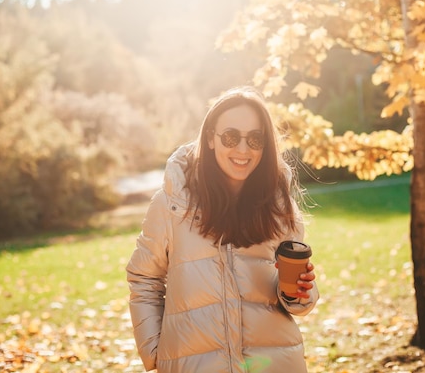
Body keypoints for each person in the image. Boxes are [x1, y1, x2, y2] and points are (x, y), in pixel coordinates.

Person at [126, 86, 319, 373]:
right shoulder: (172, 204)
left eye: (255, 139)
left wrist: (300, 294)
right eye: (230, 137)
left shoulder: (280, 207)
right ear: (211, 139)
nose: (243, 149)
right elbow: (144, 279)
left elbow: (294, 298)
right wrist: (155, 350)